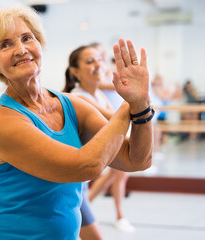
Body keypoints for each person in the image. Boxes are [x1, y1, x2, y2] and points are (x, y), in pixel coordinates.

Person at [0, 6, 153, 240]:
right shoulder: (0, 120)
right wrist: (129, 104)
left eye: (27, 38)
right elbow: (86, 166)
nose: (21, 49)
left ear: (39, 45)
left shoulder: (70, 104)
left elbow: (137, 159)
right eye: (5, 45)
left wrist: (141, 103)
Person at [63, 45, 135, 236]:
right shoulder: (78, 96)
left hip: (82, 181)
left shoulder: (99, 94)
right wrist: (137, 96)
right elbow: (115, 119)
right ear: (75, 72)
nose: (97, 64)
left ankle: (114, 213)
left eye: (100, 59)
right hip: (69, 183)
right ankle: (119, 216)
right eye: (89, 61)